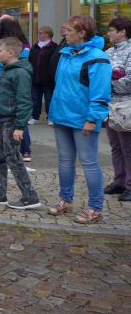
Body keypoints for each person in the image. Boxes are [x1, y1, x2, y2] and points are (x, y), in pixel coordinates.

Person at [48, 15, 111, 224]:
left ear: (82, 33)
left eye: (70, 30)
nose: (65, 33)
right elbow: (59, 84)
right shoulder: (66, 53)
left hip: (84, 119)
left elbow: (100, 93)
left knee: (89, 163)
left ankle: (95, 208)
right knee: (65, 161)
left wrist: (92, 119)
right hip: (62, 116)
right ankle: (65, 199)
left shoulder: (97, 58)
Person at [0, 37, 41, 210]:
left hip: (11, 121)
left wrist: (20, 126)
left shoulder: (20, 73)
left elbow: (25, 101)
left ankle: (30, 196)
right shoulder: (6, 69)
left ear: (11, 53)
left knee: (14, 159)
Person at [105, 16, 131, 202]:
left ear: (123, 32)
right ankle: (119, 181)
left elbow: (129, 81)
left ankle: (130, 184)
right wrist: (113, 78)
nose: (108, 33)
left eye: (112, 30)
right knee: (115, 146)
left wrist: (109, 83)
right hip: (110, 106)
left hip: (126, 107)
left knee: (127, 147)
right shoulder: (108, 51)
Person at [27, 26, 58, 125]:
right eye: (39, 33)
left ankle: (51, 117)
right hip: (35, 78)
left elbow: (54, 63)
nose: (38, 35)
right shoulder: (35, 46)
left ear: (47, 34)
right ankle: (35, 117)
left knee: (49, 99)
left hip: (48, 79)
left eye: (41, 33)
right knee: (35, 99)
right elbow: (30, 60)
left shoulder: (54, 47)